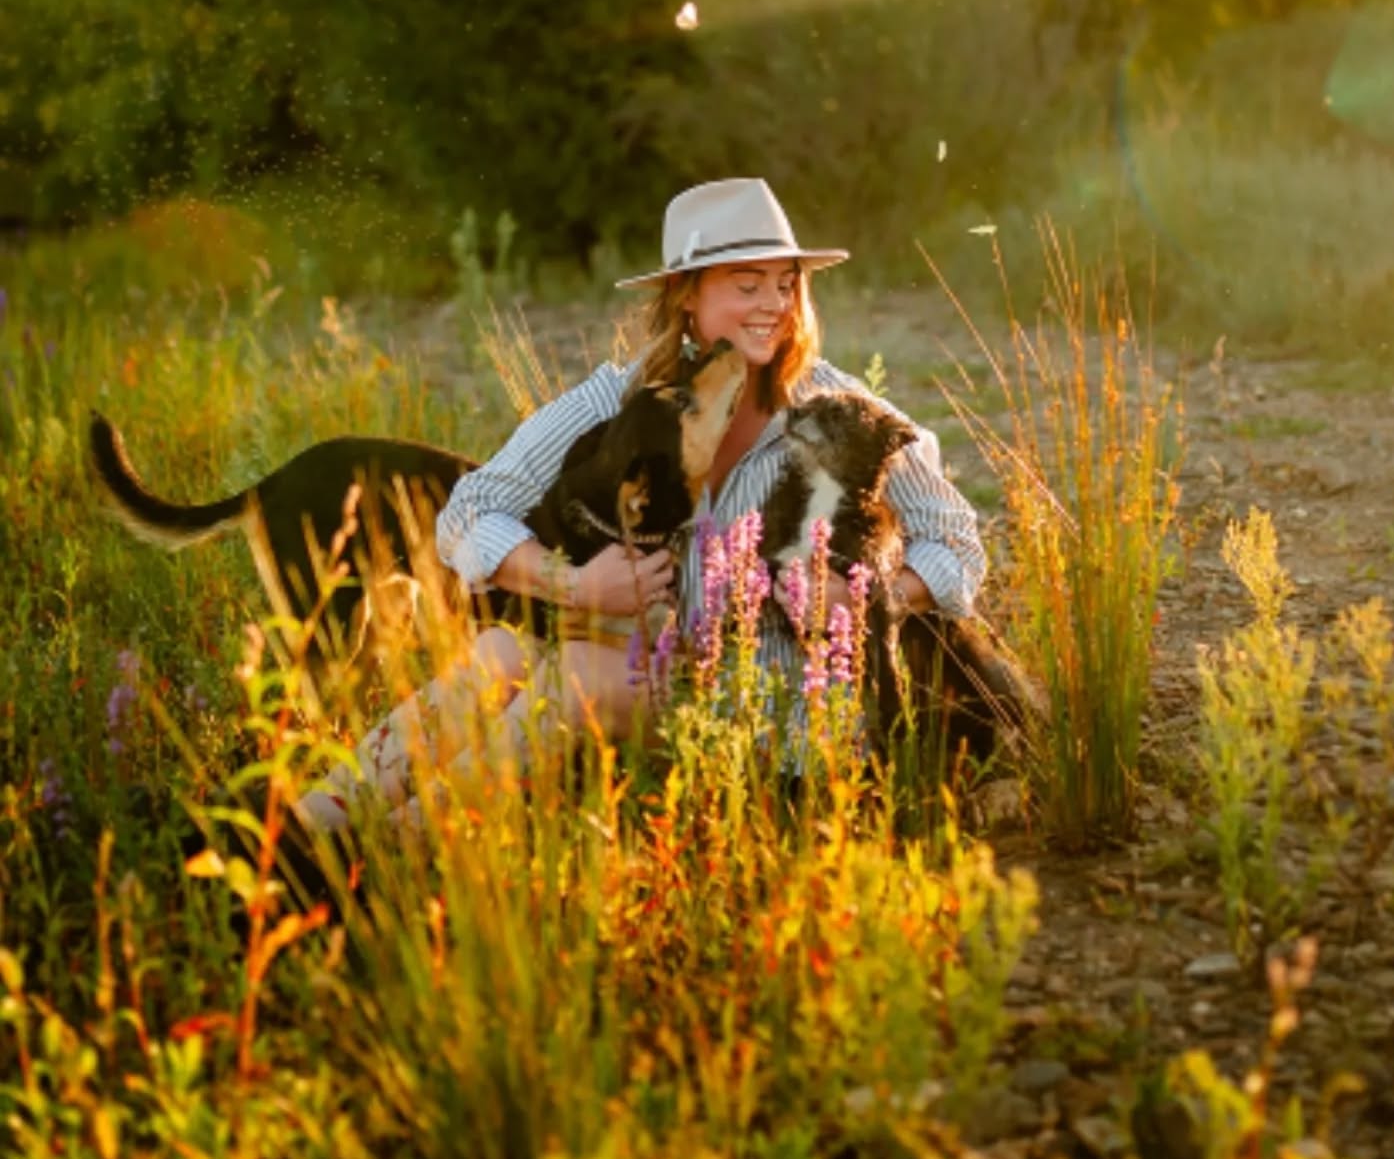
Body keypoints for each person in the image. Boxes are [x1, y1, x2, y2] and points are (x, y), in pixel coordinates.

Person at [296, 178, 985, 832]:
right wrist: (572, 583)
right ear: (688, 296)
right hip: (653, 676)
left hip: (774, 708)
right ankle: (312, 824)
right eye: (747, 285)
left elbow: (956, 539)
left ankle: (395, 851)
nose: (774, 304)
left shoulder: (839, 416)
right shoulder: (623, 399)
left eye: (786, 284)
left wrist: (866, 596)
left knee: (576, 672)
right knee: (501, 651)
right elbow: (471, 509)